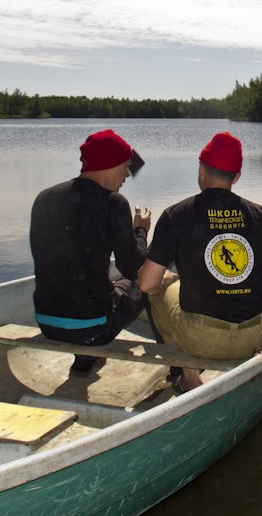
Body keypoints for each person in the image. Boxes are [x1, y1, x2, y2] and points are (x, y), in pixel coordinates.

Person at [138, 132, 262, 391]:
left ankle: (189, 375)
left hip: (202, 340)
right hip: (258, 335)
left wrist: (161, 285)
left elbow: (146, 284)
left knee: (157, 290)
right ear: (236, 177)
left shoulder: (176, 215)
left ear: (201, 169)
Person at [30, 129, 152, 374]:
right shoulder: (114, 202)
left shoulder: (44, 198)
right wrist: (140, 231)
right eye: (125, 167)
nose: (127, 174)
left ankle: (84, 360)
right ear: (109, 165)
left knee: (89, 284)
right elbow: (134, 268)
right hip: (95, 327)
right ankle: (178, 366)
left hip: (46, 322)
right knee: (149, 282)